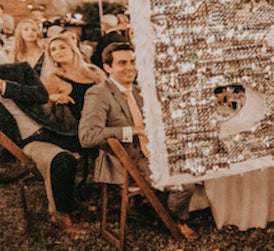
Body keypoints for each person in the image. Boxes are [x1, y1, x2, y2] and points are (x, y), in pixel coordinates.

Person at [79, 43, 199, 240]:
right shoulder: (98, 93)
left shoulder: (138, 90)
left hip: (153, 152)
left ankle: (159, 206)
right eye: (122, 63)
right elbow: (87, 136)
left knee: (198, 164)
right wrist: (133, 131)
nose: (130, 67)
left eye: (133, 61)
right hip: (126, 161)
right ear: (108, 67)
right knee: (185, 183)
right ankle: (176, 220)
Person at [0, 57, 87, 236]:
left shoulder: (19, 70)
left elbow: (41, 95)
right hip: (29, 142)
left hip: (55, 128)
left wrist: (5, 87)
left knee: (95, 143)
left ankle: (86, 194)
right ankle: (61, 214)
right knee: (63, 160)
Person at [41, 35, 106, 122]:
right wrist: (53, 98)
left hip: (103, 121)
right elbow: (43, 106)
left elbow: (110, 93)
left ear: (73, 50)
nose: (58, 52)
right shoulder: (53, 77)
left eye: (62, 47)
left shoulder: (93, 70)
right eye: (53, 50)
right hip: (76, 128)